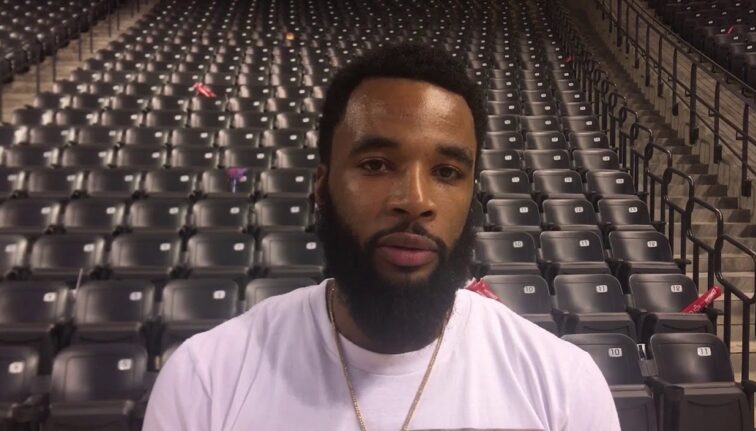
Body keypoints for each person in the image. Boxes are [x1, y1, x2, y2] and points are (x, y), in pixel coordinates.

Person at [143, 43, 621, 431]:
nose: (415, 200)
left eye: (447, 172)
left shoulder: (564, 386)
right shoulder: (206, 380)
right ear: (321, 187)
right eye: (375, 165)